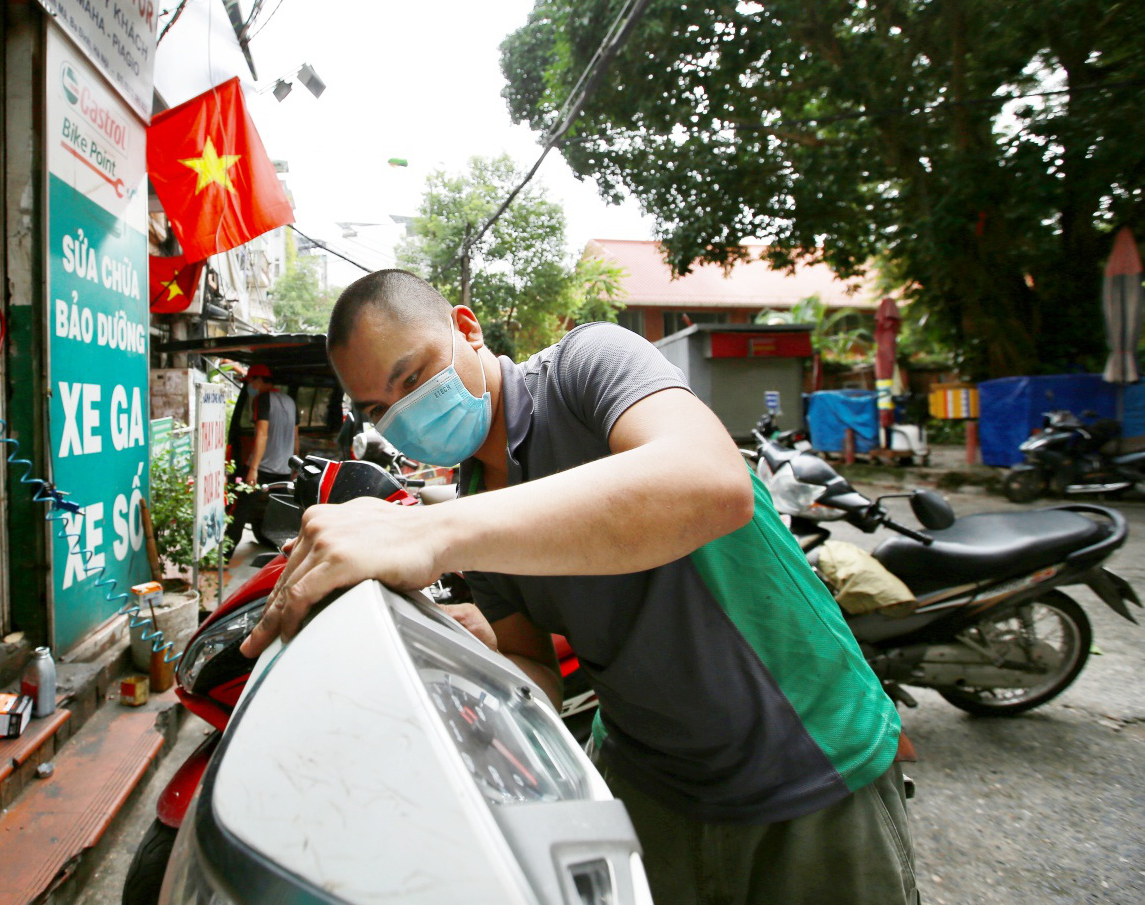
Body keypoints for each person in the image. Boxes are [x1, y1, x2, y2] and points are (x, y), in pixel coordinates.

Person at [242, 269, 919, 904]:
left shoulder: (586, 365)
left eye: (413, 376)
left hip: (808, 755)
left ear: (468, 328)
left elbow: (712, 483)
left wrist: (430, 531)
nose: (405, 412)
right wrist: (447, 659)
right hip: (653, 788)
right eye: (378, 408)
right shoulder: (477, 502)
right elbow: (538, 675)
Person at [224, 364, 298, 550]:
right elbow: (296, 437)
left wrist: (253, 469)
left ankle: (224, 557)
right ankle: (284, 556)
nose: (249, 386)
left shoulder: (262, 399)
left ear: (258, 380)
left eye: (250, 381)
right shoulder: (290, 401)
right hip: (284, 470)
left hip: (262, 470)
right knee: (283, 516)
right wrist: (295, 467)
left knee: (239, 511)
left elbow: (262, 434)